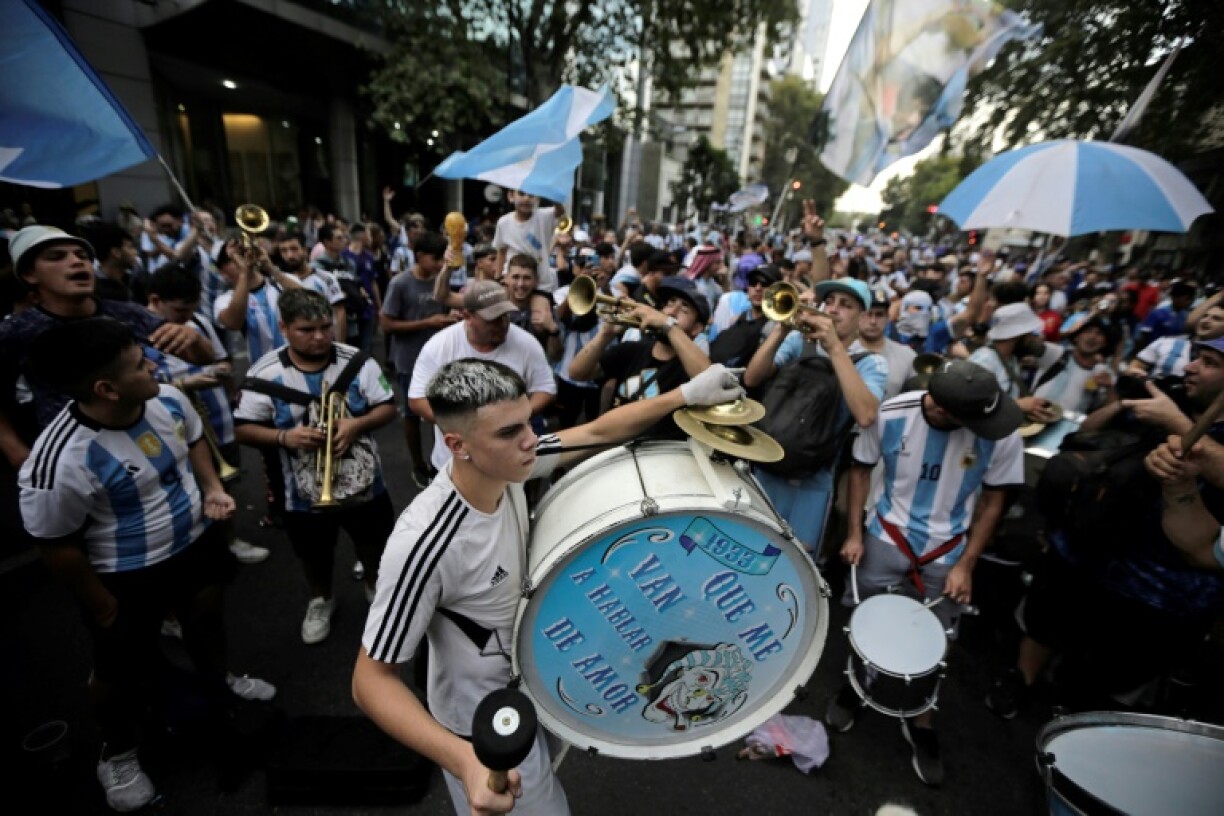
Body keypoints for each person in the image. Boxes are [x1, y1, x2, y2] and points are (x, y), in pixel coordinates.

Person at [352, 358, 745, 816]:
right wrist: (467, 763)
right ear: (456, 445)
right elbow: (370, 681)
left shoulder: (509, 464)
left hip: (534, 683)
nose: (529, 442)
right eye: (507, 433)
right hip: (484, 725)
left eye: (528, 423)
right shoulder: (425, 543)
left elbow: (597, 432)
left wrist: (687, 395)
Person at [17, 318, 274, 812]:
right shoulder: (58, 462)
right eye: (140, 363)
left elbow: (194, 435)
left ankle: (219, 687)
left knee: (206, 618)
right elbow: (54, 543)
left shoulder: (167, 399)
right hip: (125, 577)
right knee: (118, 669)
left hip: (194, 546)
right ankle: (118, 752)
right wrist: (102, 605)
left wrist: (213, 489)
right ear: (105, 389)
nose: (153, 364)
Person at [986, 336, 1224, 720]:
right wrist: (1120, 400)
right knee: (1047, 617)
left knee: (1113, 663)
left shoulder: (1177, 415)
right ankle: (1023, 680)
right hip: (1093, 540)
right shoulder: (1173, 397)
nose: (1191, 367)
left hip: (1160, 580)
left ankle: (1078, 718)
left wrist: (1175, 423)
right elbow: (1086, 434)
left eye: (1209, 362)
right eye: (1197, 357)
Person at [829, 360, 1024, 786]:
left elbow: (994, 501)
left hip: (947, 549)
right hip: (887, 536)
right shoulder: (891, 412)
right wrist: (855, 534)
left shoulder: (998, 429)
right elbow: (860, 469)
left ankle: (921, 717)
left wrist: (967, 562)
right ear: (942, 409)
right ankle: (857, 685)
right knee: (867, 619)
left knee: (937, 638)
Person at [234, 289, 397, 644]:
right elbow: (243, 428)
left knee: (374, 543)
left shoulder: (358, 361)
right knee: (313, 553)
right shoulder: (265, 373)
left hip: (365, 484)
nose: (321, 337)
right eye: (307, 329)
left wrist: (356, 425)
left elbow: (388, 406)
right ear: (284, 327)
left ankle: (376, 588)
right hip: (301, 493)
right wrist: (284, 438)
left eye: (326, 326)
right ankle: (320, 599)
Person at [744, 277, 886, 556]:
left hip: (814, 481)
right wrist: (781, 330)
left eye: (845, 305)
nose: (833, 310)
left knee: (795, 560)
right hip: (765, 467)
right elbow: (752, 377)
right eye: (829, 302)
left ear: (862, 317)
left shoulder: (872, 362)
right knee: (748, 546)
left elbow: (866, 415)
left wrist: (834, 346)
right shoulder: (798, 342)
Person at [145, 263, 269, 565]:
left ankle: (229, 540)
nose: (187, 319)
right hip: (174, 432)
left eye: (191, 309)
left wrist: (223, 370)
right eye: (178, 311)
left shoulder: (198, 321)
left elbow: (220, 358)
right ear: (155, 300)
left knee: (224, 485)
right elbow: (137, 385)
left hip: (217, 421)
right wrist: (185, 383)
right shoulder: (136, 331)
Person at [409, 280, 557, 474]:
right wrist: (461, 426)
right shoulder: (439, 347)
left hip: (508, 462)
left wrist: (513, 419)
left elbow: (545, 388)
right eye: (493, 319)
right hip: (453, 465)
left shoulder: (526, 344)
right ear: (468, 316)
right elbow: (417, 399)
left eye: (505, 316)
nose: (502, 324)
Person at [568, 275, 712, 440]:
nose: (671, 311)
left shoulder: (693, 366)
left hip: (655, 454)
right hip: (613, 444)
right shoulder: (632, 349)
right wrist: (605, 334)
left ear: (697, 328)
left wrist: (669, 326)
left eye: (684, 309)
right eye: (670, 303)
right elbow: (577, 372)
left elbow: (709, 380)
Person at [380, 231, 458, 487]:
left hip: (440, 362)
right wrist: (428, 322)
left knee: (443, 412)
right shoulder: (400, 283)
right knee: (413, 415)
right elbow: (388, 324)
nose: (439, 264)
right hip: (408, 360)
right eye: (436, 259)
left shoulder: (440, 281)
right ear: (420, 256)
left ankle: (444, 462)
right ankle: (417, 465)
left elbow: (447, 308)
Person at [967, 301, 1063, 422]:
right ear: (1018, 336)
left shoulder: (1011, 359)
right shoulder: (985, 360)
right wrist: (1018, 404)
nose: (1033, 339)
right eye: (1030, 335)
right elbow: (969, 402)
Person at [278, 231, 347, 340]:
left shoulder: (326, 278)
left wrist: (341, 344)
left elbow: (339, 312)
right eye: (284, 251)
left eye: (294, 249)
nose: (289, 255)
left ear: (304, 250)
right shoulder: (277, 282)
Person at [493, 190, 566, 292]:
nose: (526, 198)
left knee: (541, 308)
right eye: (521, 194)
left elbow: (560, 211)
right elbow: (501, 252)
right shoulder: (503, 222)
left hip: (541, 284)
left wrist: (550, 191)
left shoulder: (544, 216)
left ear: (538, 199)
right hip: (512, 282)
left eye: (531, 195)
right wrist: (498, 279)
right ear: (511, 196)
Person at [858, 287, 917, 400]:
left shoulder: (907, 355)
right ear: (858, 316)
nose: (873, 321)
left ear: (888, 317)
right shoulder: (844, 351)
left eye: (879, 315)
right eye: (868, 314)